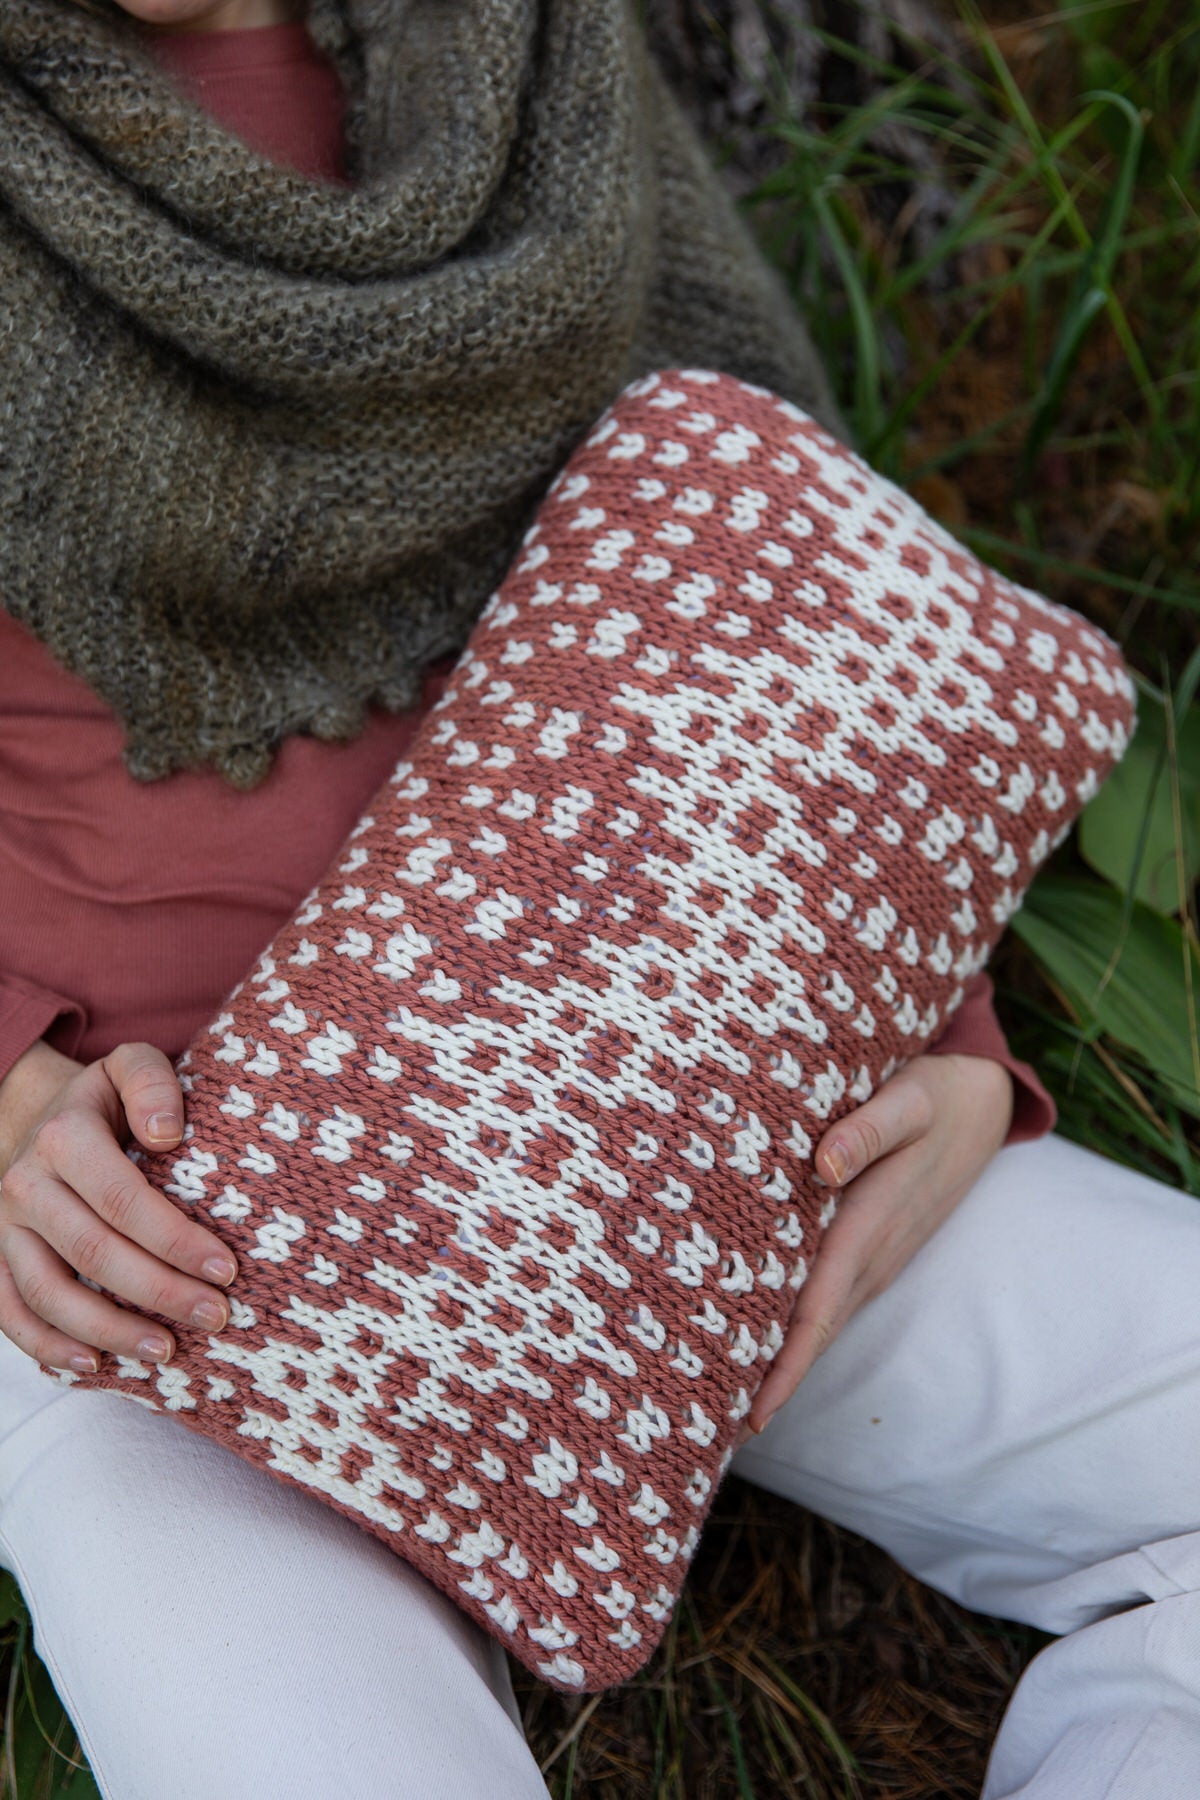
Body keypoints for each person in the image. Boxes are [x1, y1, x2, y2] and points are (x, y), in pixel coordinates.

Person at [0, 2, 1196, 1796]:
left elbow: (786, 571)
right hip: (155, 1227)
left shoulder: (512, 51)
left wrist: (927, 1021)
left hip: (693, 1091)